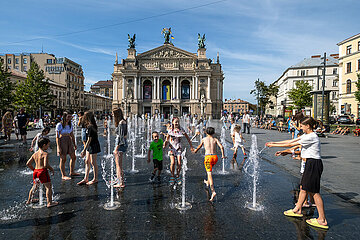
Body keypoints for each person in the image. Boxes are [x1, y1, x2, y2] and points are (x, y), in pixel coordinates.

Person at [266, 117, 328, 229]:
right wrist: (274, 143)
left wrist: (273, 144)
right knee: (303, 188)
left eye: (302, 125)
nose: (300, 127)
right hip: (310, 164)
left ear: (308, 126)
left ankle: (322, 219)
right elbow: (293, 143)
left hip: (313, 164)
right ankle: (297, 209)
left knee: (314, 192)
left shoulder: (312, 136)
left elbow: (290, 143)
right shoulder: (307, 135)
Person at [193, 127, 226, 202]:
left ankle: (213, 191)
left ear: (206, 133)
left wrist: (195, 151)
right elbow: (221, 147)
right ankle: (207, 182)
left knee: (209, 173)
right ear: (213, 133)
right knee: (209, 171)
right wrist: (223, 155)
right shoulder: (215, 139)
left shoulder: (204, 139)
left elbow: (199, 147)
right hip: (215, 157)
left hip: (208, 158)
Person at [26, 138, 58, 207]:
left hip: (36, 171)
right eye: (48, 145)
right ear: (44, 145)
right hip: (43, 171)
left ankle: (29, 200)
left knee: (35, 187)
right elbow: (45, 165)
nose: (48, 147)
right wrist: (51, 169)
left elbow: (28, 164)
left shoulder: (35, 154)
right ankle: (49, 203)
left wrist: (34, 170)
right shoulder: (45, 154)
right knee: (48, 187)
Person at [164, 117, 194, 185]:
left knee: (179, 163)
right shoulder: (170, 130)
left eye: (178, 122)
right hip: (171, 148)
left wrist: (191, 146)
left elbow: (188, 138)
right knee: (173, 163)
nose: (177, 123)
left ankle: (177, 176)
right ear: (173, 122)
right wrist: (164, 144)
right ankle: (172, 176)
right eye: (175, 122)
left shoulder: (181, 129)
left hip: (178, 148)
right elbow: (167, 139)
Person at [77, 111, 101, 185]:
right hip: (90, 145)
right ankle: (85, 178)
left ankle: (95, 179)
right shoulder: (88, 125)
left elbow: (89, 139)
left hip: (93, 145)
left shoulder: (91, 126)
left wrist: (84, 150)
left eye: (84, 116)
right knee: (87, 161)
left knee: (93, 162)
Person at [56, 112, 79, 180]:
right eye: (68, 117)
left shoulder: (70, 124)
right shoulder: (59, 125)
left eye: (70, 117)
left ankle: (72, 172)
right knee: (63, 159)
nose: (70, 118)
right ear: (64, 117)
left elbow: (72, 134)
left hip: (69, 140)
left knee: (73, 157)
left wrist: (74, 144)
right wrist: (58, 147)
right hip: (62, 140)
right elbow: (57, 137)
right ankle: (63, 175)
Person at [113, 108, 127, 188]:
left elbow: (121, 137)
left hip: (120, 144)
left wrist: (116, 148)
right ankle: (119, 179)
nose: (112, 115)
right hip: (122, 143)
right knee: (119, 164)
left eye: (113, 113)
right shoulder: (123, 121)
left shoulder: (121, 123)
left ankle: (120, 183)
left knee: (118, 165)